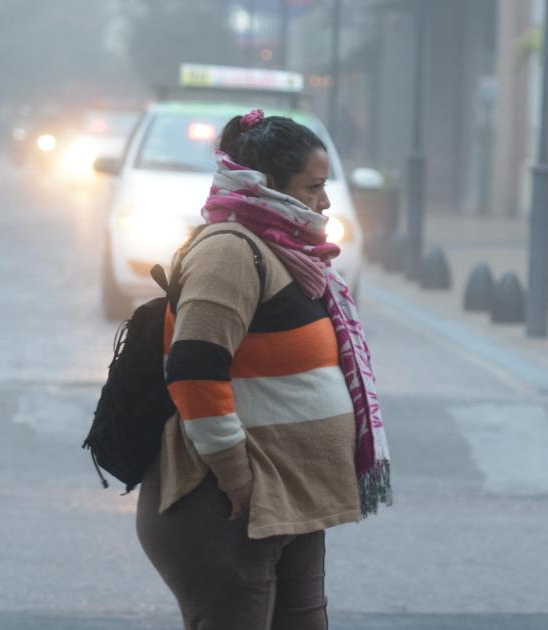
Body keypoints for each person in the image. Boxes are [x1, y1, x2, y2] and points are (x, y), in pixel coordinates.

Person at [136, 109, 392, 630]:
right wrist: (236, 477)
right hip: (228, 510)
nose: (324, 201)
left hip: (290, 501)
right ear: (266, 185)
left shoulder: (289, 254)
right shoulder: (230, 252)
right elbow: (193, 370)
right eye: (313, 186)